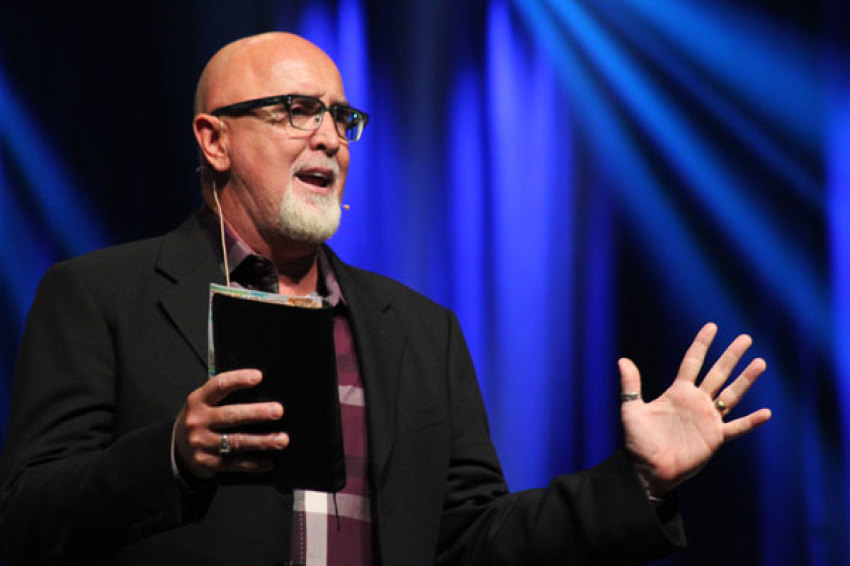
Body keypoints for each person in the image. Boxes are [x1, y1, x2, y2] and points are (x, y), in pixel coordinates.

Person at [0, 32, 771, 565]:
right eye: (297, 111)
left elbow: (474, 541)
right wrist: (171, 455)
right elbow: (27, 520)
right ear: (214, 140)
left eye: (341, 117)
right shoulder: (99, 297)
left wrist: (638, 484)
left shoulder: (419, 330)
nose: (331, 137)